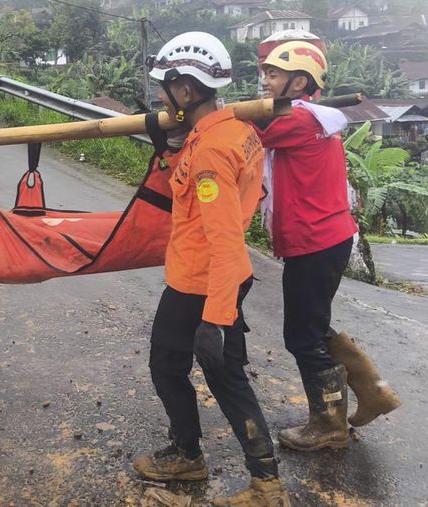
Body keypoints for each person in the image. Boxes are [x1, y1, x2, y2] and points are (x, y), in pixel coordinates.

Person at [133, 32, 290, 506]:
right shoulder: (234, 131)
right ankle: (260, 477)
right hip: (211, 276)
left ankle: (199, 459)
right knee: (218, 373)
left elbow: (223, 240)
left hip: (202, 282)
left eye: (167, 86)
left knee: (182, 367)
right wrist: (168, 147)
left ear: (186, 92)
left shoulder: (211, 153)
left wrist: (215, 318)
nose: (162, 95)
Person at [254, 41, 401, 451]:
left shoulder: (298, 120)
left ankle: (329, 423)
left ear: (299, 82)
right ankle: (373, 391)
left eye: (274, 74)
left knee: (301, 336)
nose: (265, 81)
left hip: (315, 242)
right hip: (326, 239)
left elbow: (244, 131)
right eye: (264, 73)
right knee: (314, 327)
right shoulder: (314, 116)